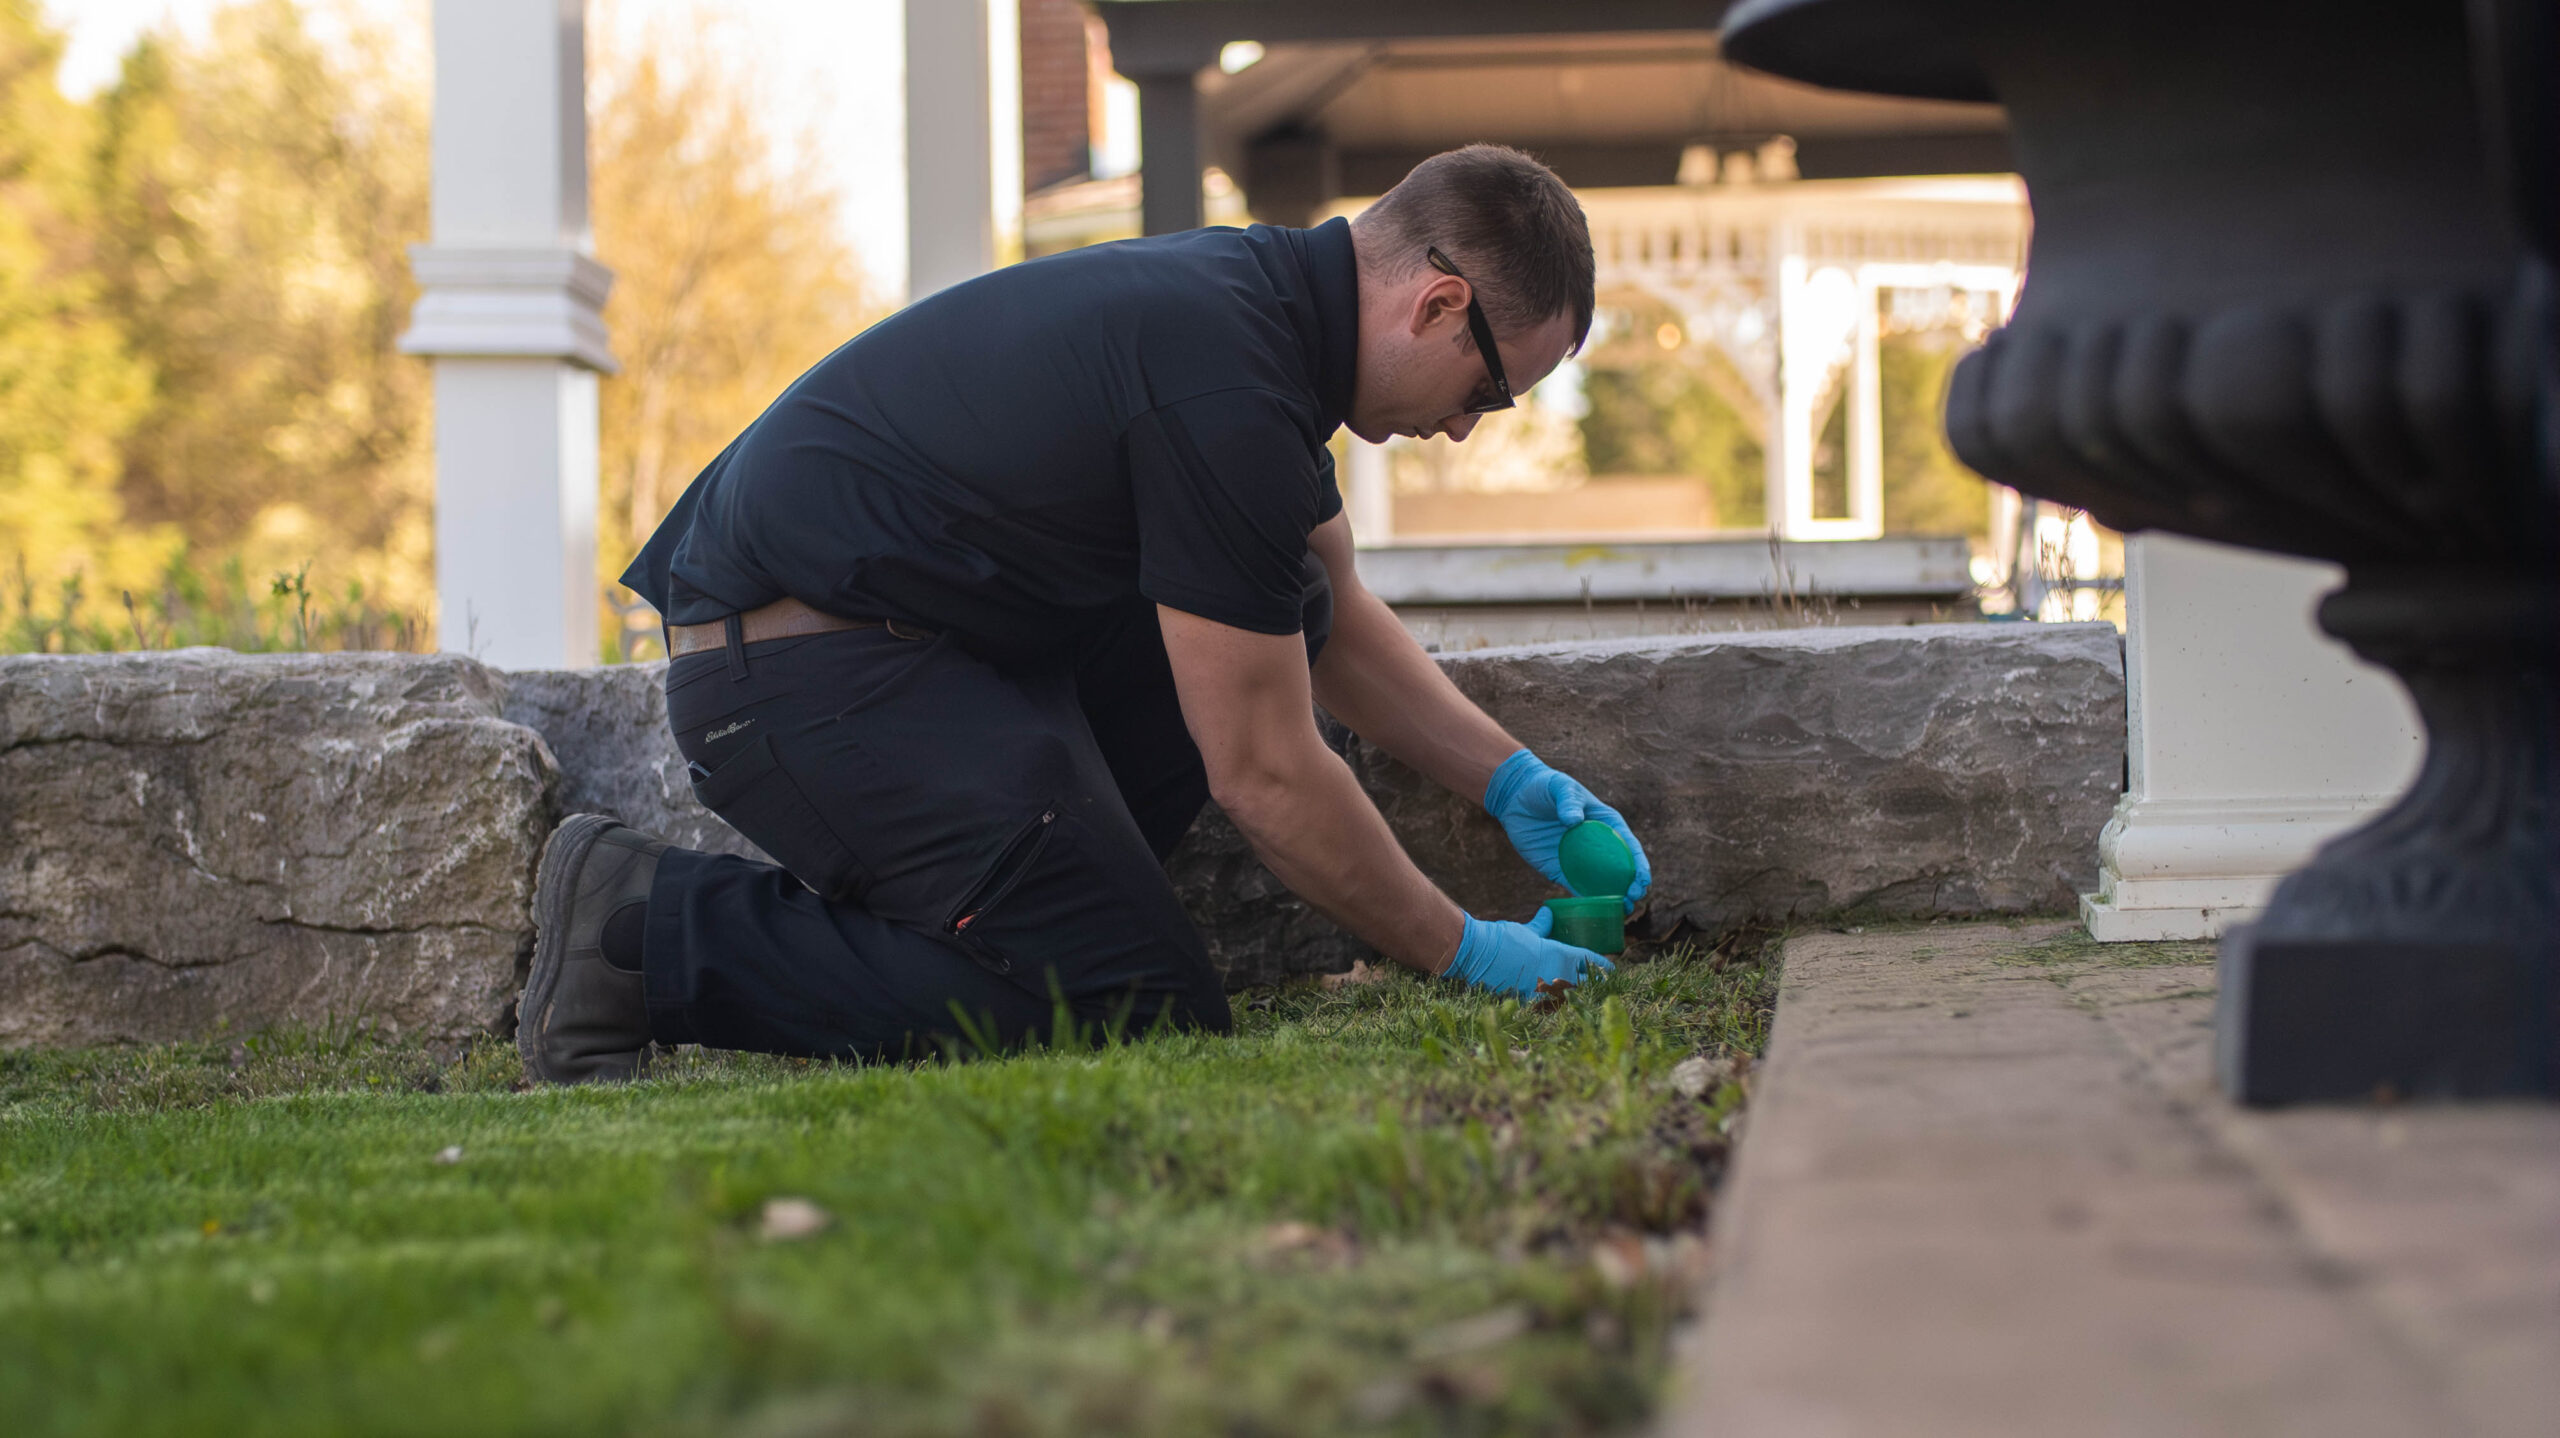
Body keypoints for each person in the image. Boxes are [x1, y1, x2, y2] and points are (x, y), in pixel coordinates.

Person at [517, 145, 1653, 1084]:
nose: (1469, 427)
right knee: (1134, 1004)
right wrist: (1465, 954)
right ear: (1439, 303)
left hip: (919, 660)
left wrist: (1519, 787)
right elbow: (1260, 770)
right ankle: (641, 930)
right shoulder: (1233, 387)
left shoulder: (1255, 313)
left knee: (1289, 601)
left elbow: (1334, 616)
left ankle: (1044, 914)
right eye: (1490, 391)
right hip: (796, 680)